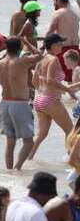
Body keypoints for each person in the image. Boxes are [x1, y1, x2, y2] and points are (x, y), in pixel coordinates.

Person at [0, 37, 42, 170]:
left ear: (6, 48)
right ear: (19, 48)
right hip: (20, 104)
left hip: (4, 104)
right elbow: (40, 55)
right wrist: (28, 43)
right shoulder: (22, 61)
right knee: (29, 142)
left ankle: (9, 170)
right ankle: (17, 168)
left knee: (10, 142)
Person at [30, 33, 77, 161]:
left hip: (39, 100)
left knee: (41, 134)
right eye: (60, 43)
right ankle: (72, 161)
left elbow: (34, 81)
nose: (62, 45)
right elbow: (50, 81)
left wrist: (43, 91)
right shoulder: (53, 59)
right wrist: (67, 89)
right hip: (50, 100)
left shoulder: (42, 59)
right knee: (71, 131)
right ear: (53, 45)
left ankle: (28, 158)